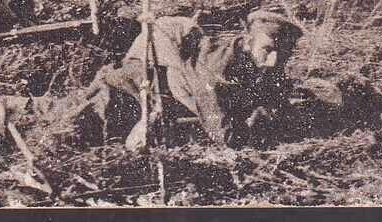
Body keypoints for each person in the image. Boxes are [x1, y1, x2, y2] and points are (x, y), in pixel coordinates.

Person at [62, 8, 304, 149]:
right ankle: (24, 107)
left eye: (283, 53)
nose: (274, 60)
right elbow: (222, 132)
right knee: (78, 122)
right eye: (269, 49)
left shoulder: (263, 58)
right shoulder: (218, 64)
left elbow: (276, 99)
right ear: (248, 40)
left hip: (172, 98)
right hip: (132, 87)